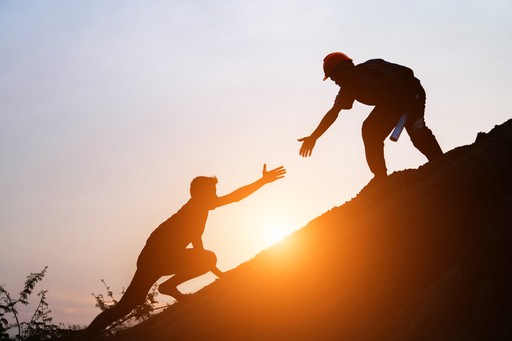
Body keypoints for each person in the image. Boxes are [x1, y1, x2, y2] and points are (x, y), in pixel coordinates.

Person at [85, 164, 286, 337]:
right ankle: (87, 334)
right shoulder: (197, 206)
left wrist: (215, 270)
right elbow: (234, 198)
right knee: (129, 304)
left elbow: (195, 240)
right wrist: (262, 181)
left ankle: (87, 335)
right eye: (212, 191)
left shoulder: (197, 209)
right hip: (155, 257)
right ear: (200, 193)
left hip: (153, 257)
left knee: (127, 305)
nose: (215, 195)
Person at [298, 52, 443, 181]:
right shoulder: (347, 89)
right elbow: (333, 113)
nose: (335, 82)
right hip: (390, 105)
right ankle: (380, 177)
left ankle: (441, 162)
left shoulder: (371, 68)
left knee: (417, 130)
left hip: (411, 94)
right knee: (369, 130)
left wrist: (411, 100)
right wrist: (314, 137)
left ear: (345, 69)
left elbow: (406, 73)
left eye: (335, 77)